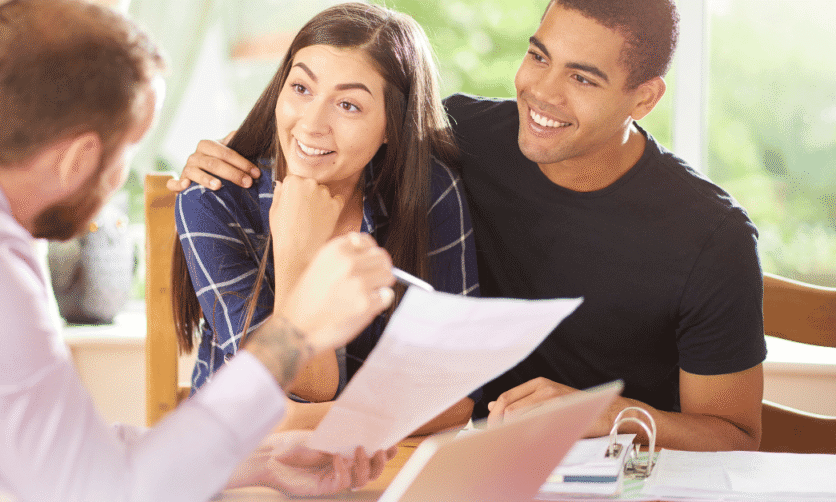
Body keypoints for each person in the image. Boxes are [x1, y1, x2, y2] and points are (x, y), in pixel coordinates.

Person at [0, 1, 398, 501]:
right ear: (76, 158)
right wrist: (292, 334)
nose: (121, 180)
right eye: (126, 152)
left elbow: (63, 457)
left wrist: (261, 461)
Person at [168, 0, 767, 451]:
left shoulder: (710, 237)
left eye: (583, 79)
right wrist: (248, 157)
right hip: (449, 462)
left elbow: (737, 437)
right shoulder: (461, 142)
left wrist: (607, 413)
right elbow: (329, 122)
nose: (542, 93)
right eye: (538, 56)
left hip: (608, 473)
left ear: (644, 99)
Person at [171, 2, 479, 432]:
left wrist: (302, 420)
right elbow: (300, 387)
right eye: (301, 89)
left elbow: (456, 397)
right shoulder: (215, 199)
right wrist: (299, 251)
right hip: (242, 468)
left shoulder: (427, 191)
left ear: (393, 124)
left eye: (348, 105)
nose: (312, 124)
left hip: (378, 461)